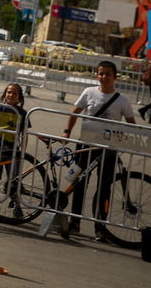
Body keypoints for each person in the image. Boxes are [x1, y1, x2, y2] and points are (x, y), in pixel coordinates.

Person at [59, 60, 138, 239]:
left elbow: (131, 124)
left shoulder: (122, 100)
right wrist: (66, 131)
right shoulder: (89, 92)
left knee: (104, 187)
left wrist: (127, 139)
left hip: (108, 150)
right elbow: (75, 112)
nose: (104, 77)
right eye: (101, 73)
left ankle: (100, 227)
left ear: (115, 76)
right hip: (86, 145)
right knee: (79, 184)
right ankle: (75, 222)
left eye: (107, 74)